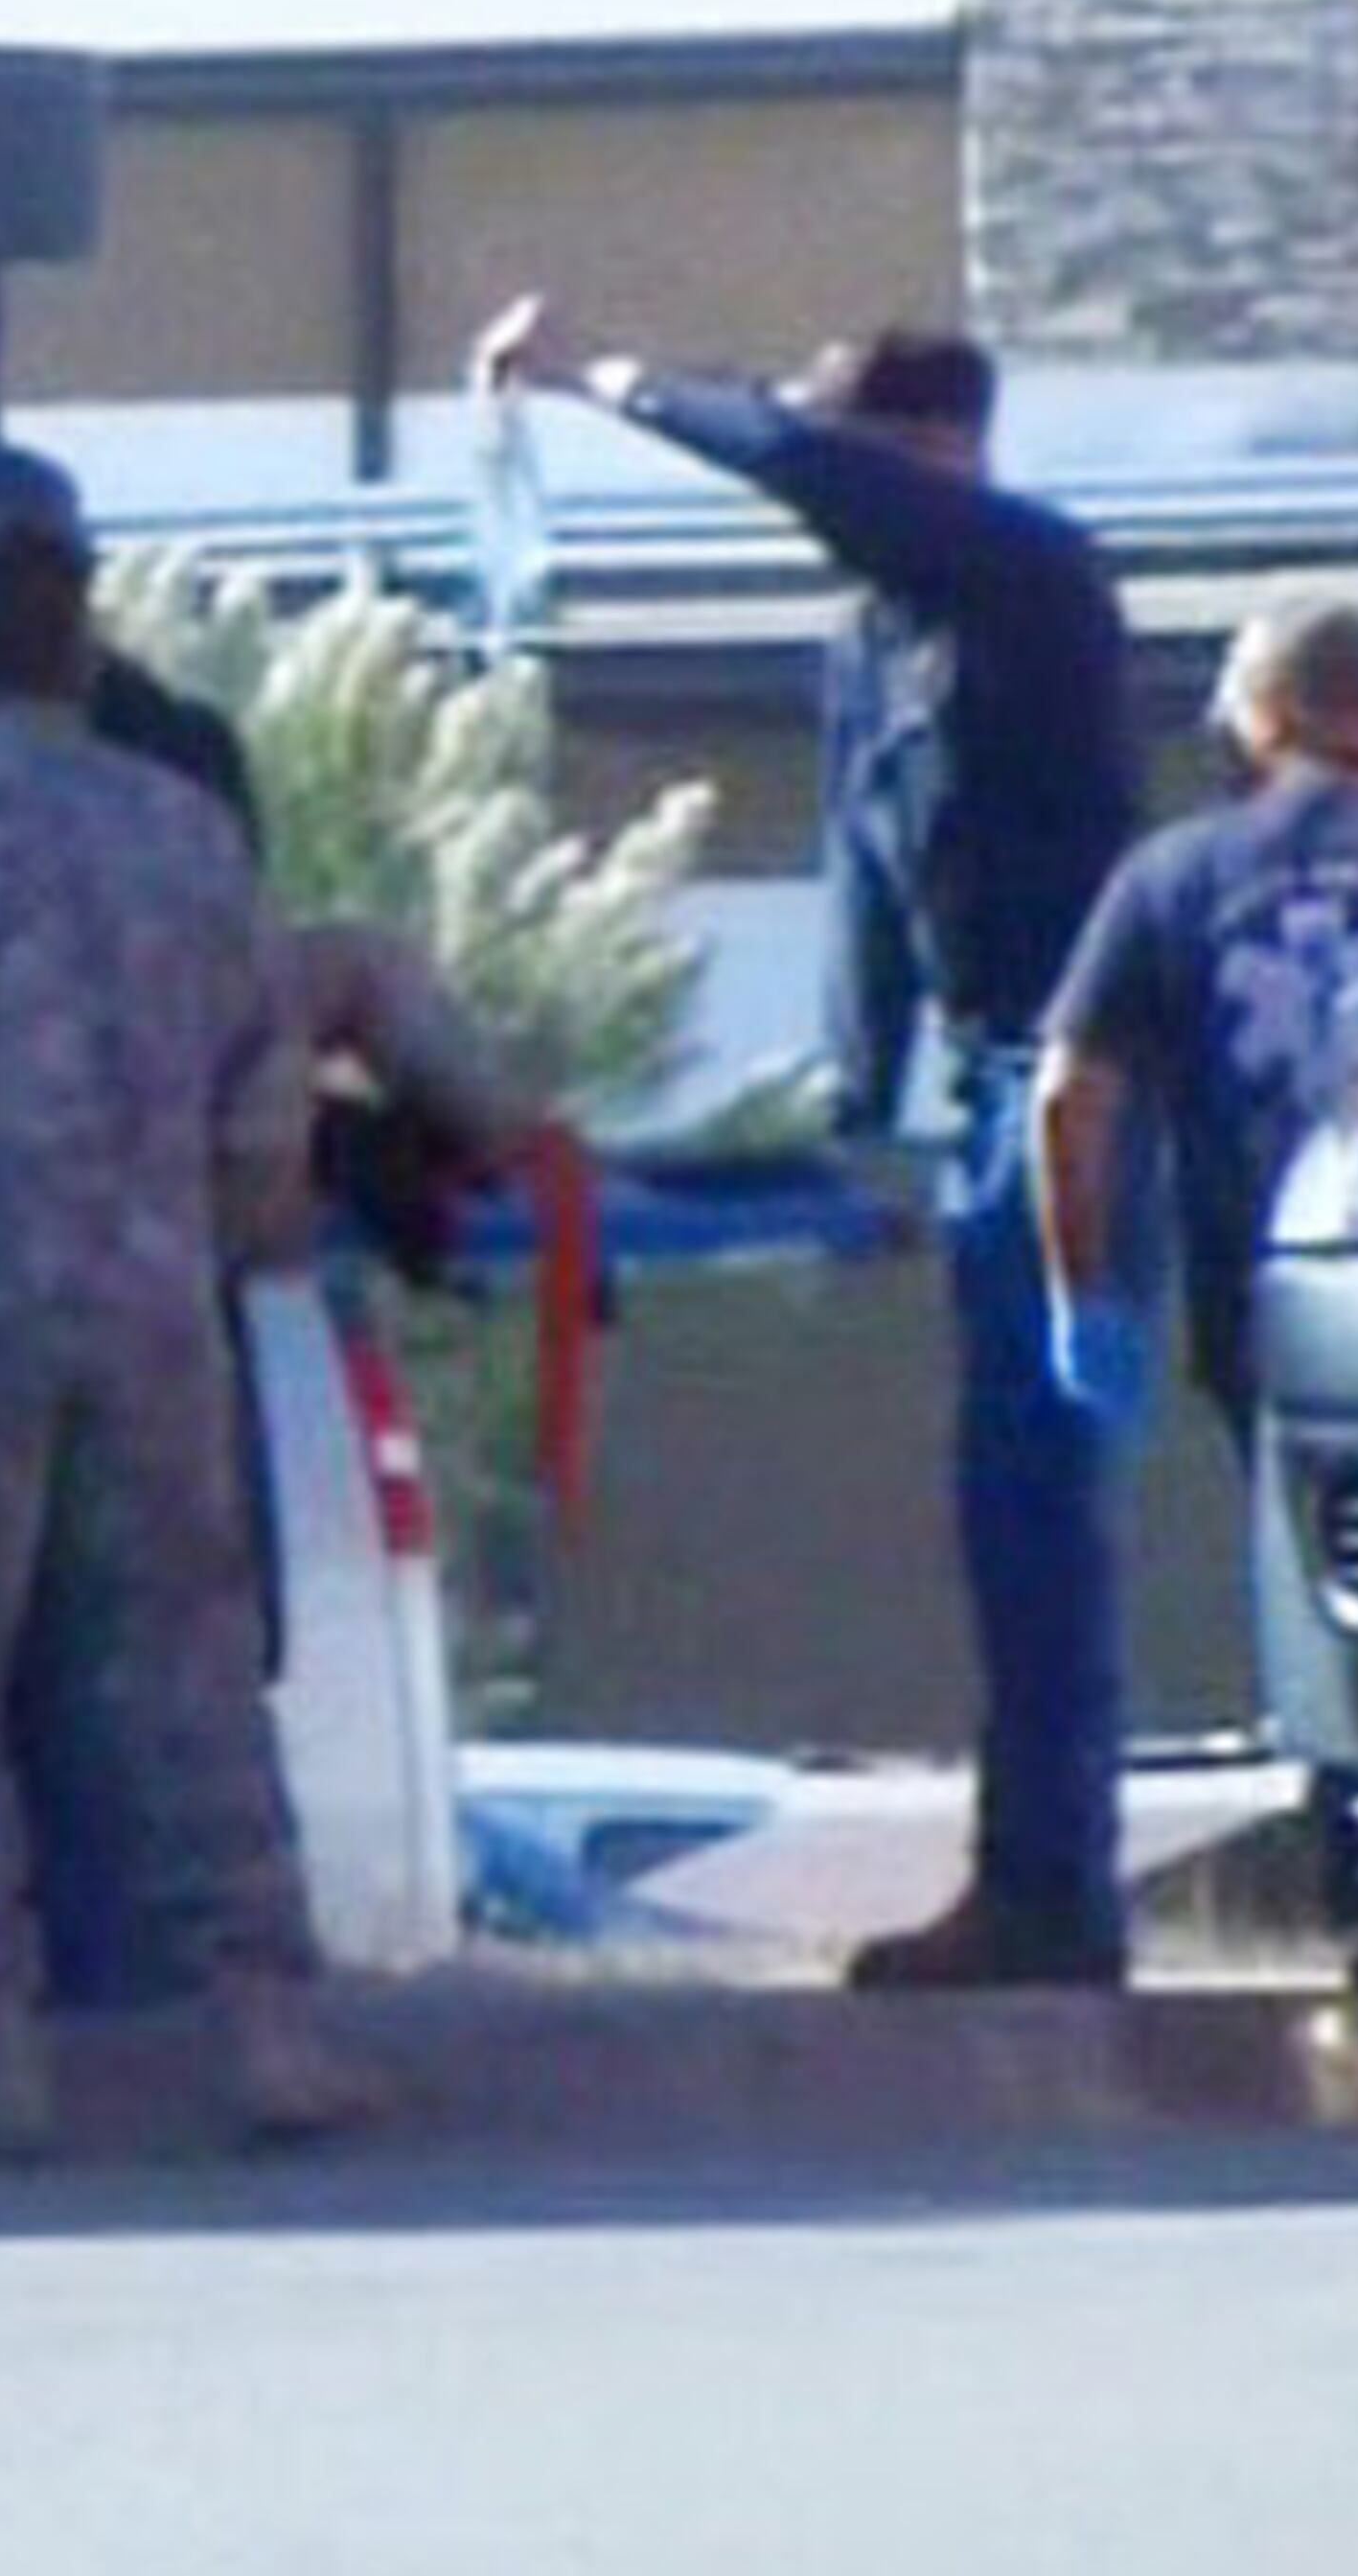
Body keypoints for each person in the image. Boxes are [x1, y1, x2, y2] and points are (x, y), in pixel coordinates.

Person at [0, 488, 518, 2159]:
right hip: (155, 1303)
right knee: (182, 1666)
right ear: (86, 632)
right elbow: (265, 1101)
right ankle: (259, 2025)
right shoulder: (182, 826)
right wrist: (215, 1236)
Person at [482, 294, 1144, 1990]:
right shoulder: (877, 635)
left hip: (1095, 1082)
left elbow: (798, 468)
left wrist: (611, 371)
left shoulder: (1026, 578)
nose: (826, 501)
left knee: (1047, 1496)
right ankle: (1037, 1881)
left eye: (863, 468)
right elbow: (866, 878)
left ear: (941, 457)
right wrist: (848, 1123)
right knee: (1008, 1499)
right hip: (987, 1094)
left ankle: (1058, 1892)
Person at [1037, 602, 1358, 1446]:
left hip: (1281, 1311)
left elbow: (1070, 1098)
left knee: (1321, 1562)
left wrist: (1084, 1298)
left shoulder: (1175, 874)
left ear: (1268, 714)